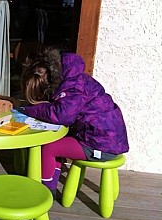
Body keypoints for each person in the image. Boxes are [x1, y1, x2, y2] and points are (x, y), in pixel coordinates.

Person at [17, 46, 129, 197]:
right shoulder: (72, 79)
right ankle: (49, 185)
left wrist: (31, 109)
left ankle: (44, 193)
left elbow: (62, 115)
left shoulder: (72, 87)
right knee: (56, 143)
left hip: (101, 145)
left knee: (49, 148)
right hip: (106, 138)